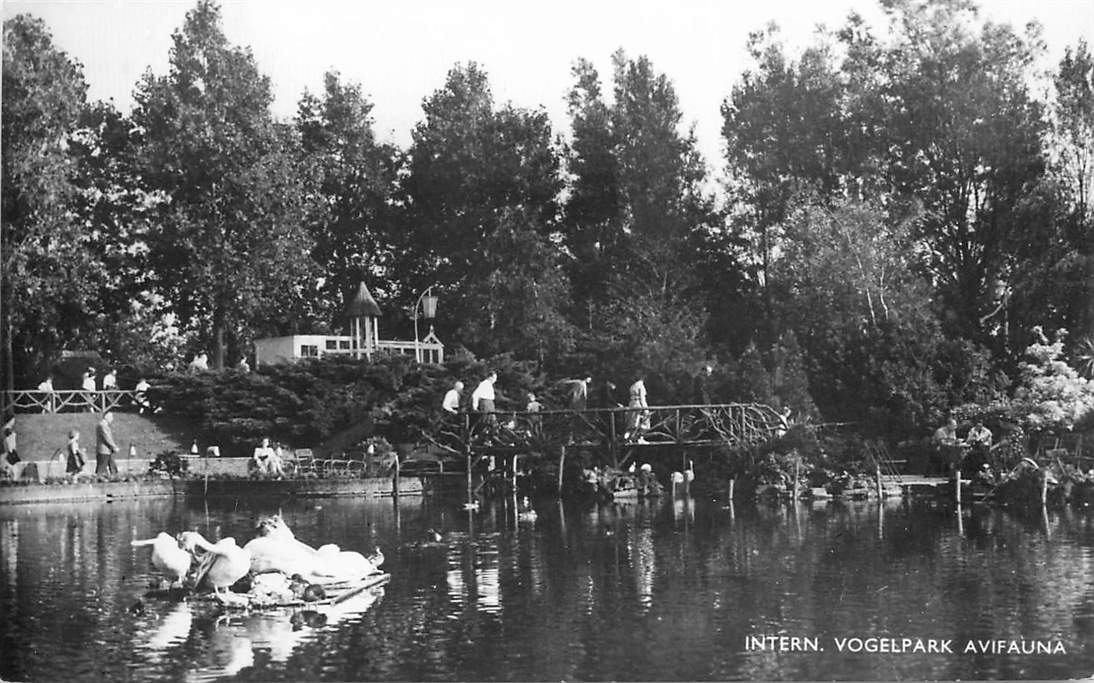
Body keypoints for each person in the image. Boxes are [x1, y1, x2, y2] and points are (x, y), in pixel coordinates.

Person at [626, 377, 650, 443]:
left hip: (632, 404)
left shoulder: (632, 386)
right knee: (644, 421)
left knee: (633, 422)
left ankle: (631, 438)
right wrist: (645, 409)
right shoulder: (641, 386)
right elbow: (642, 398)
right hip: (638, 405)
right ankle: (640, 438)